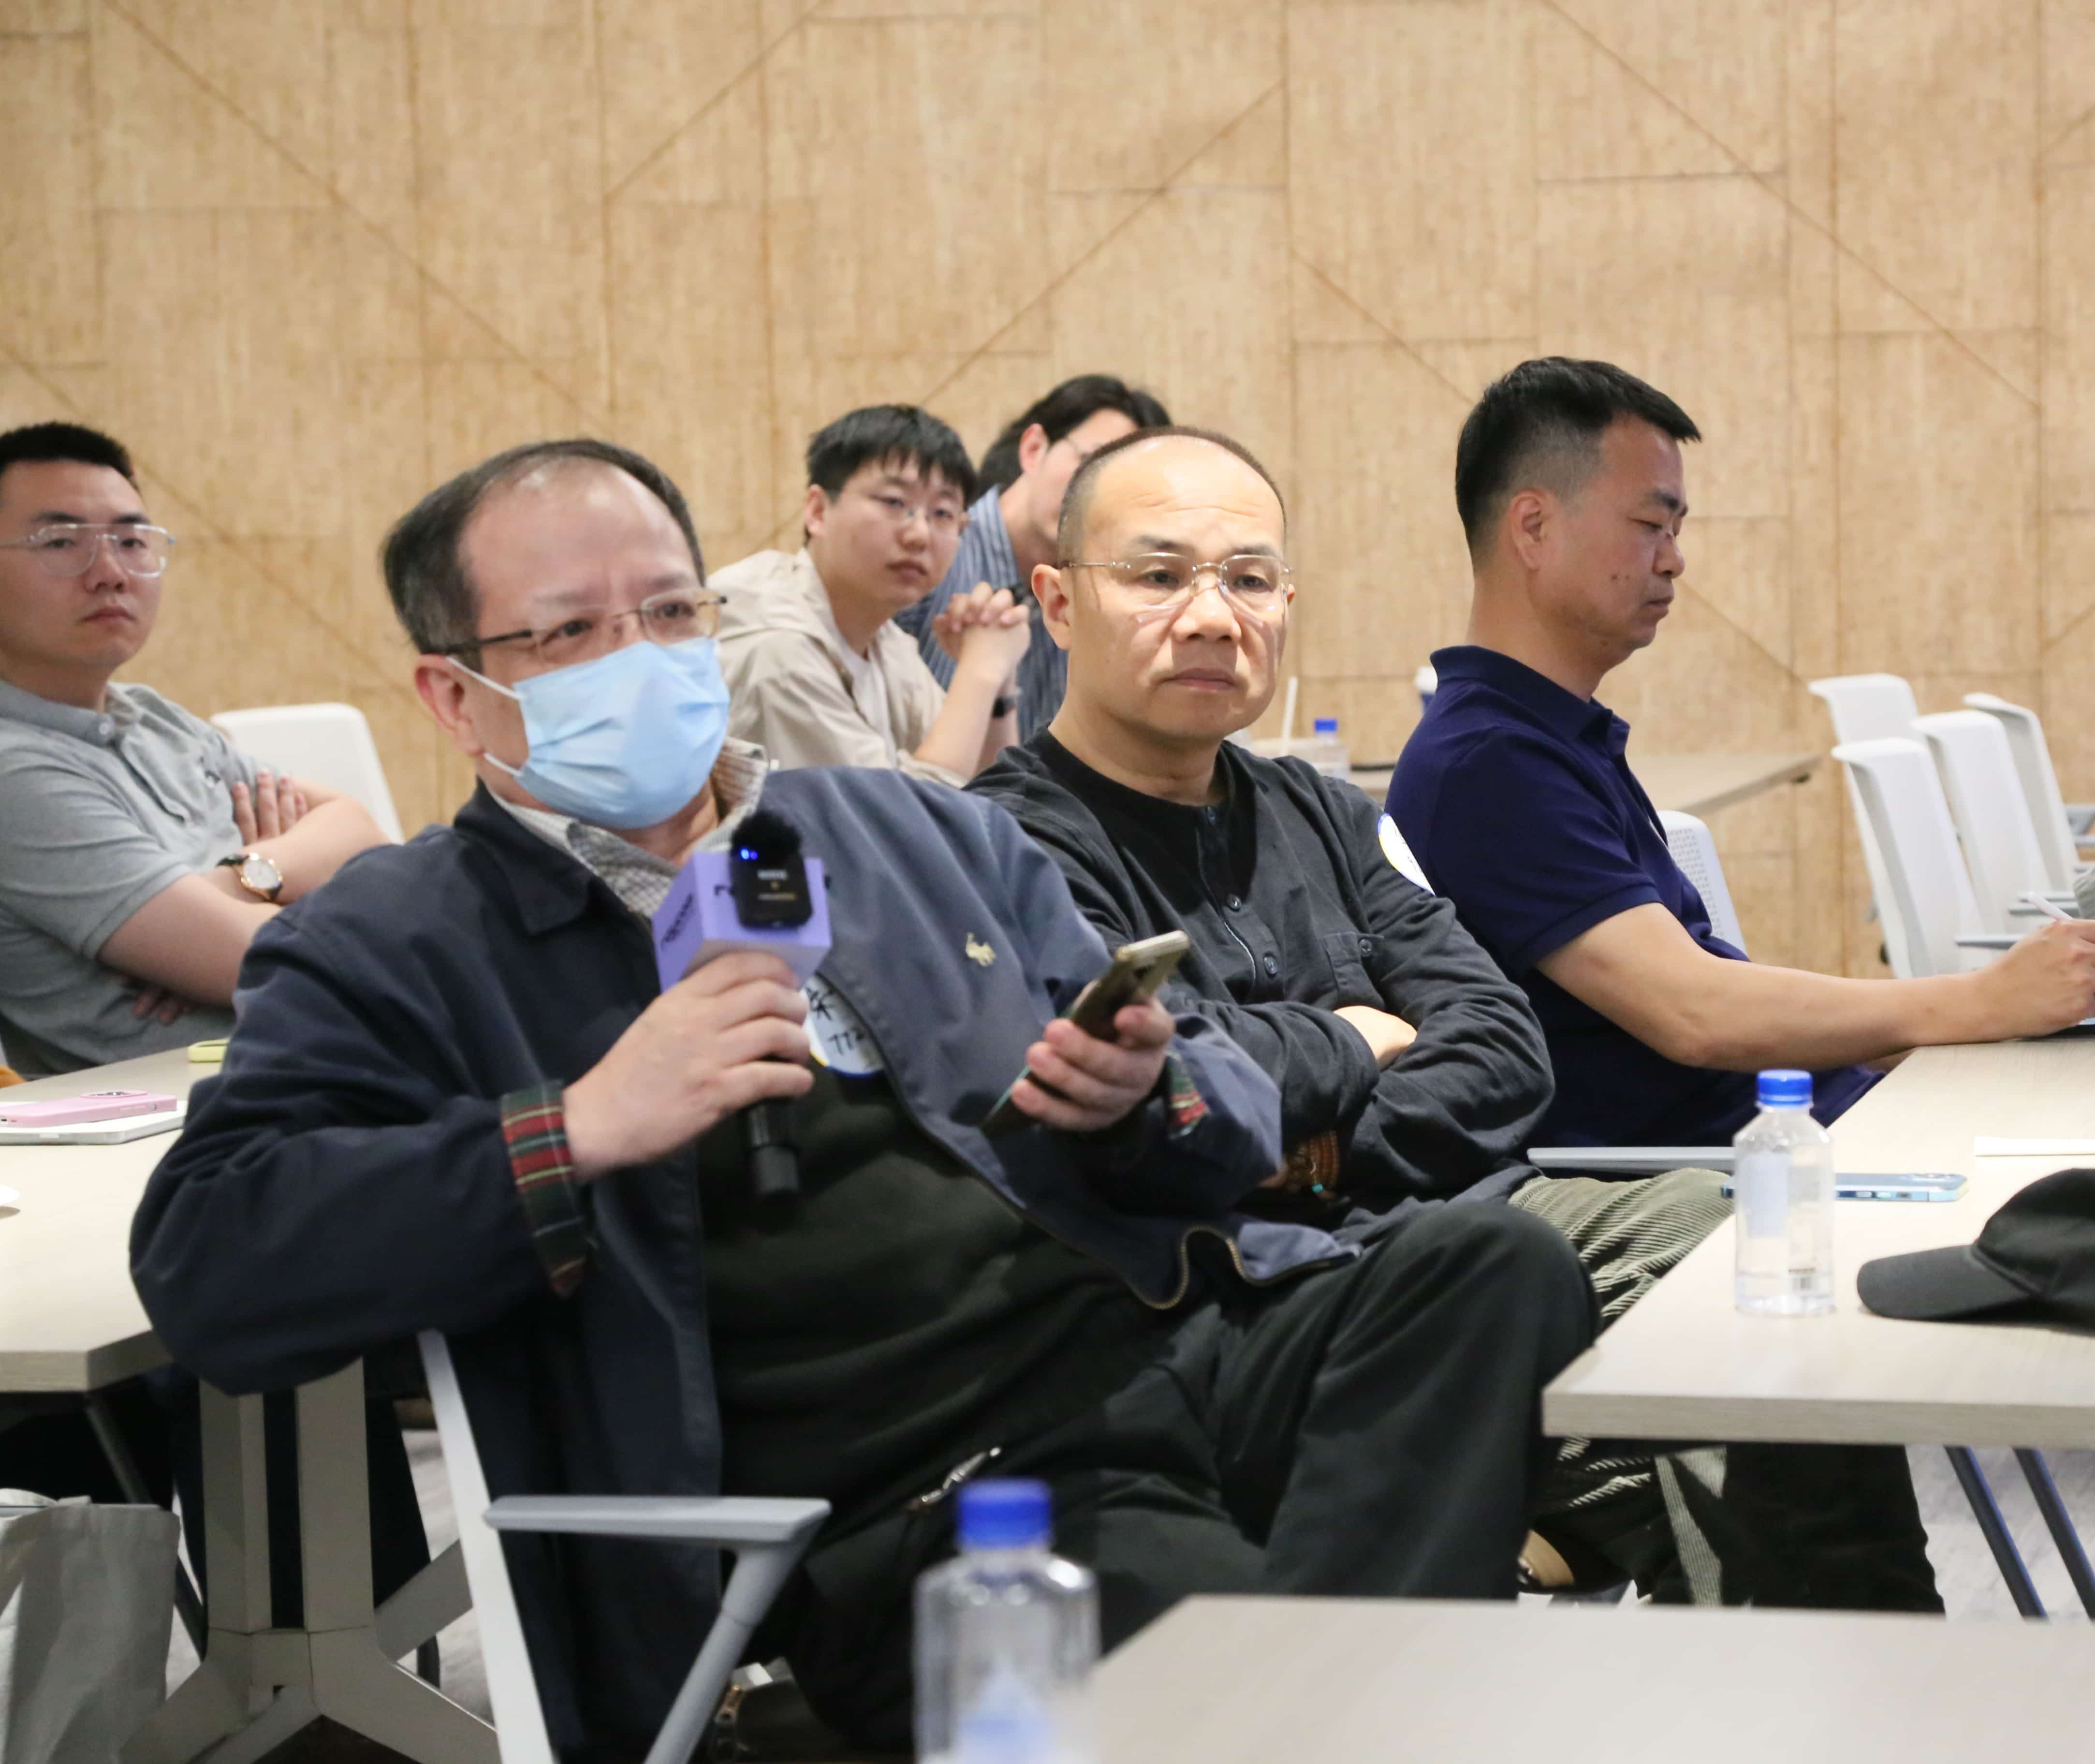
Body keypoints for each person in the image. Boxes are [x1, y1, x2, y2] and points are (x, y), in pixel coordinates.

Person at [131, 439, 1595, 1758]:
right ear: (456, 695)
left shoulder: (902, 830)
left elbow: (1220, 1093)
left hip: (1179, 1332)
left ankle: (1315, 1708)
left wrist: (1144, 1096)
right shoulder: (399, 939)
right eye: (571, 631)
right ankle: (1320, 1706)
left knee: (1490, 1266)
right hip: (944, 1491)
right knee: (1243, 1660)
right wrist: (577, 1129)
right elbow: (210, 1261)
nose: (640, 656)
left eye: (671, 610)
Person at [971, 426, 1941, 1610]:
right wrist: (1359, 1034)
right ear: (1057, 603)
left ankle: (1852, 1667)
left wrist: (1311, 1146)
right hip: (1253, 1301)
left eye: (1249, 580)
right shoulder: (1007, 846)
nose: (1213, 617)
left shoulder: (1322, 812)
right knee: (1711, 1406)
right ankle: (1844, 1657)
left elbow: (1501, 1047)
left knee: (1739, 1247)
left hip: (1472, 1240)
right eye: (1160, 576)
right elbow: (1173, 1103)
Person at [1390, 358, 2095, 1150]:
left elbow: (1716, 1001)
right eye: (1650, 525)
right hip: (1752, 1187)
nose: (1673, 560)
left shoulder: (1552, 736)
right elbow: (1696, 1013)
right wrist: (1984, 1000)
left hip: (1815, 1136)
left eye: (1677, 532)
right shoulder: (1487, 766)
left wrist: (1991, 1008)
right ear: (1534, 527)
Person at [0, 421, 390, 1074]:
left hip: (332, 1066)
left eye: (131, 541)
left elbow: (359, 831)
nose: (110, 573)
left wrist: (241, 880)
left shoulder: (154, 718)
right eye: (61, 542)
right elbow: (264, 962)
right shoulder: (14, 772)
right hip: (213, 1109)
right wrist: (284, 902)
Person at [714, 405, 1030, 782]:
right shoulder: (776, 645)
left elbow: (995, 800)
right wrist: (980, 670)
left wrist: (999, 686)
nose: (919, 535)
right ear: (818, 511)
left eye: (943, 513)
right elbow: (904, 813)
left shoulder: (885, 641)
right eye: (894, 503)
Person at [895, 374, 1169, 741]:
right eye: (1091, 464)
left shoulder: (1103, 594)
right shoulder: (930, 550)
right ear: (1034, 449)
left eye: (1127, 487)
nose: (1098, 497)